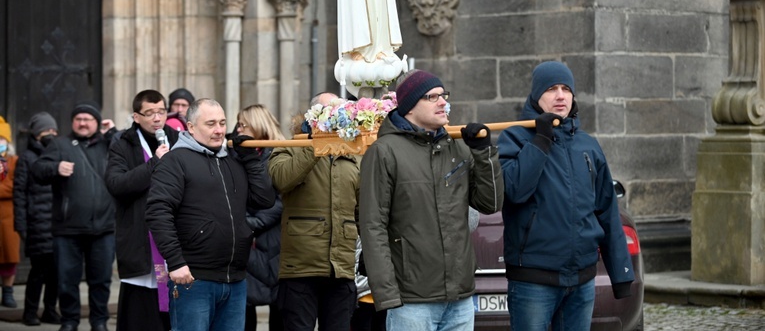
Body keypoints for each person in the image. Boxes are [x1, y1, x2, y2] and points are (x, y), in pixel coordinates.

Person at [359, 69, 504, 330]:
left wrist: (484, 154)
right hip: (412, 300)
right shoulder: (384, 152)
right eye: (432, 96)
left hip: (459, 296)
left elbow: (490, 203)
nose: (443, 102)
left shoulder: (458, 147)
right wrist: (387, 294)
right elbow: (372, 226)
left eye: (443, 95)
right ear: (409, 107)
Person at [497, 61, 634, 330]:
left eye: (566, 88)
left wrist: (621, 275)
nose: (560, 95)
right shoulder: (514, 138)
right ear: (536, 96)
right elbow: (515, 190)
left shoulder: (587, 145)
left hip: (582, 280)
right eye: (551, 89)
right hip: (533, 280)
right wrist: (541, 140)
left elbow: (607, 212)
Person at [145, 98, 275, 331]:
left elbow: (264, 200)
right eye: (211, 123)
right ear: (191, 127)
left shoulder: (233, 161)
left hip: (235, 279)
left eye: (223, 123)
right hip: (194, 279)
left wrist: (251, 161)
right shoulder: (176, 161)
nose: (219, 130)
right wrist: (175, 262)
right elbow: (158, 212)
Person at [268, 92, 359, 331]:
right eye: (331, 111)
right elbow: (282, 179)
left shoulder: (351, 154)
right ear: (313, 115)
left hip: (340, 269)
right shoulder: (289, 147)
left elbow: (361, 207)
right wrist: (314, 142)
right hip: (301, 269)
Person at [31, 101, 118, 331]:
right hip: (67, 229)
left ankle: (99, 321)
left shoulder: (109, 144)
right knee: (67, 280)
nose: (82, 123)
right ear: (72, 122)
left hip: (104, 228)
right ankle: (69, 321)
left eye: (87, 119)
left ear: (97, 123)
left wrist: (113, 132)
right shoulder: (59, 144)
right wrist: (55, 167)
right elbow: (38, 170)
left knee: (101, 281)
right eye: (78, 119)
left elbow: (134, 153)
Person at [105, 90, 181, 331]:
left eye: (161, 111)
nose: (157, 118)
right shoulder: (122, 143)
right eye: (150, 113)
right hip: (139, 235)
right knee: (140, 311)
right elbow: (117, 184)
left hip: (174, 233)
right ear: (136, 117)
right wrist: (154, 164)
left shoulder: (178, 139)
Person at [234, 105, 285, 331]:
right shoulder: (235, 154)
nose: (238, 130)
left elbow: (282, 200)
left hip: (274, 239)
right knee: (243, 308)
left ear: (258, 125)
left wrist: (249, 223)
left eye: (243, 125)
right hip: (245, 239)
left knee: (280, 308)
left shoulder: (280, 153)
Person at [13, 112, 61, 326]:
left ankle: (50, 310)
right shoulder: (28, 158)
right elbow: (19, 193)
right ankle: (30, 312)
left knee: (56, 272)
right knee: (38, 272)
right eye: (46, 130)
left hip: (58, 223)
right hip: (37, 224)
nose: (50, 134)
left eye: (53, 130)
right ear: (36, 134)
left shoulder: (60, 154)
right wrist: (21, 225)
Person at [0, 115, 21, 309]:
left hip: (8, 217)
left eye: (1, 139)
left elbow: (17, 186)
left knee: (9, 257)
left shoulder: (14, 161)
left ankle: (7, 293)